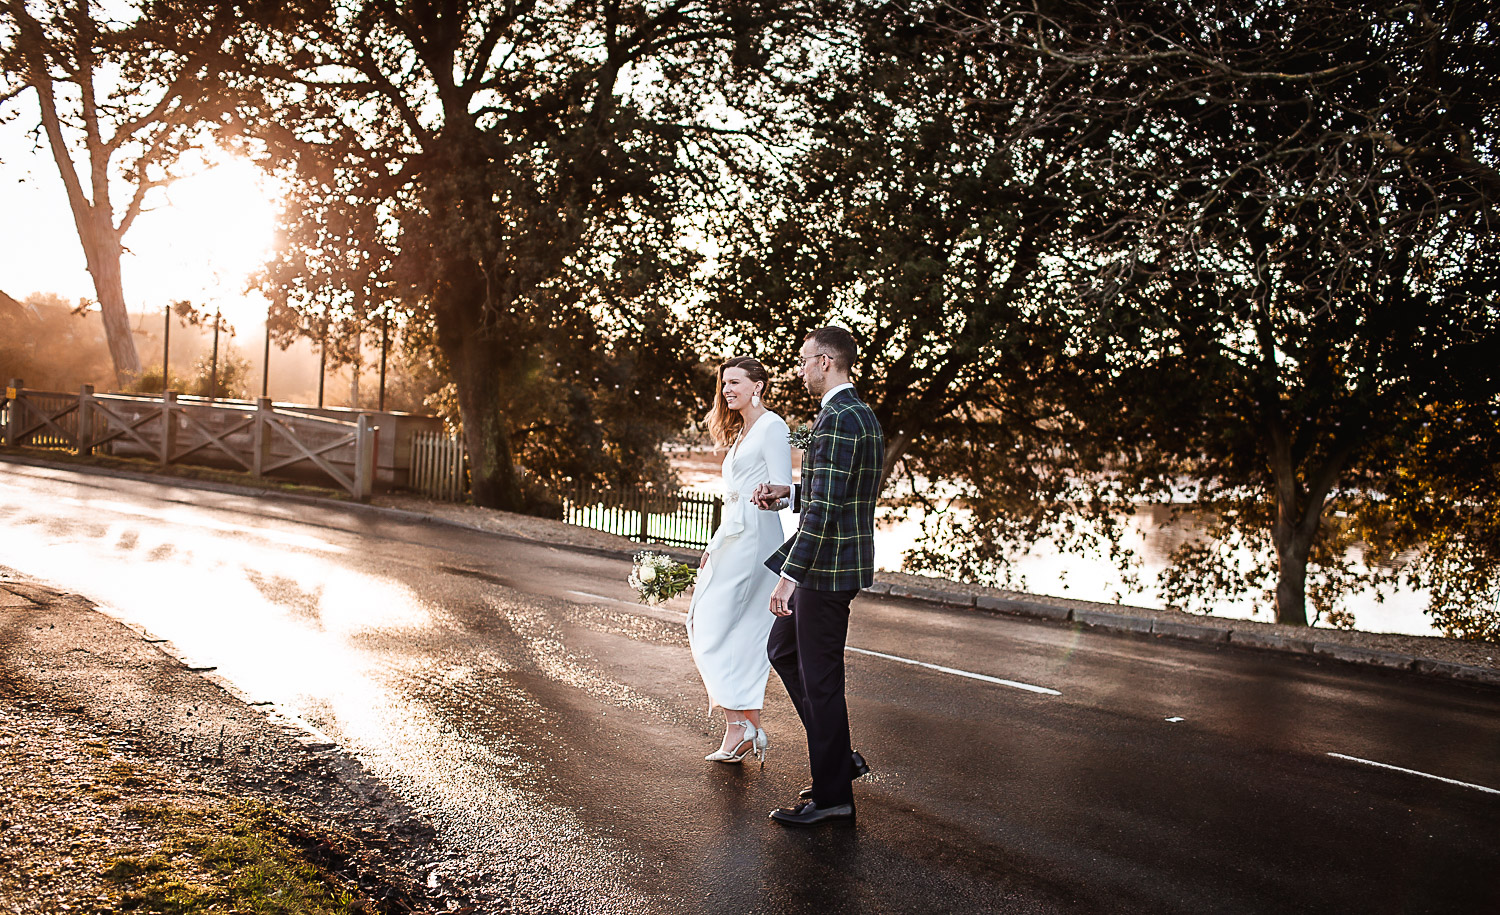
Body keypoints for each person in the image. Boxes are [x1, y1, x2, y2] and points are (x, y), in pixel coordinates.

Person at [752, 326, 884, 827]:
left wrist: (790, 574)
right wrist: (787, 496)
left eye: (806, 360)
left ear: (826, 362)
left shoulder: (838, 418)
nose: (800, 368)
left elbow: (828, 508)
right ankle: (840, 758)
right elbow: (835, 493)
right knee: (783, 651)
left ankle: (831, 797)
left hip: (826, 570)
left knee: (821, 681)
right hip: (831, 563)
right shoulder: (857, 415)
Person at [686, 356, 793, 765]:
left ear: (758, 386)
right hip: (732, 534)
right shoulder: (742, 431)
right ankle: (748, 726)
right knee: (732, 628)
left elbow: (782, 489)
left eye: (735, 382)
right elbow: (731, 499)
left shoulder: (772, 426)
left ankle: (740, 727)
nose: (727, 390)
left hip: (755, 536)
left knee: (709, 623)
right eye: (724, 384)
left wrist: (771, 494)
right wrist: (713, 545)